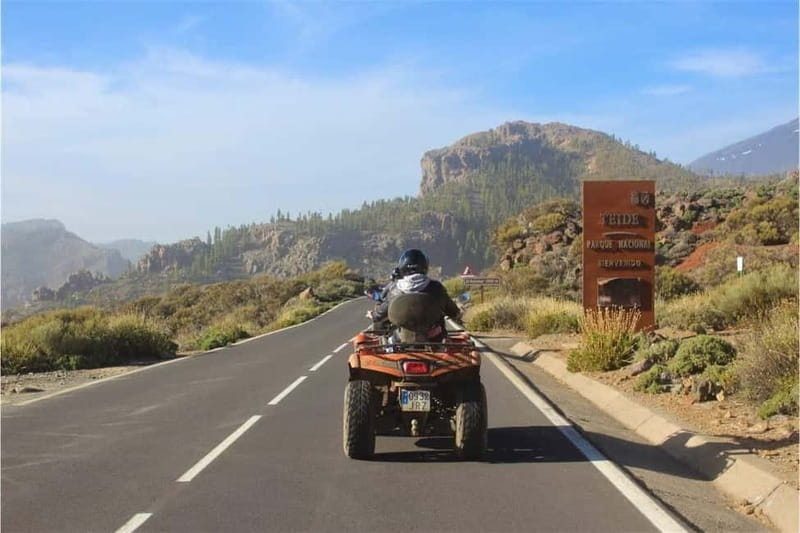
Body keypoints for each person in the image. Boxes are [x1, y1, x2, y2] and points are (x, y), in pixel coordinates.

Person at [369, 249, 460, 340]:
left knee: (385, 330)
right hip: (433, 339)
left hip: (400, 339)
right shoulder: (436, 288)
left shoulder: (394, 289)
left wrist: (373, 314)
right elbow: (453, 312)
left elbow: (379, 315)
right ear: (425, 266)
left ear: (402, 266)